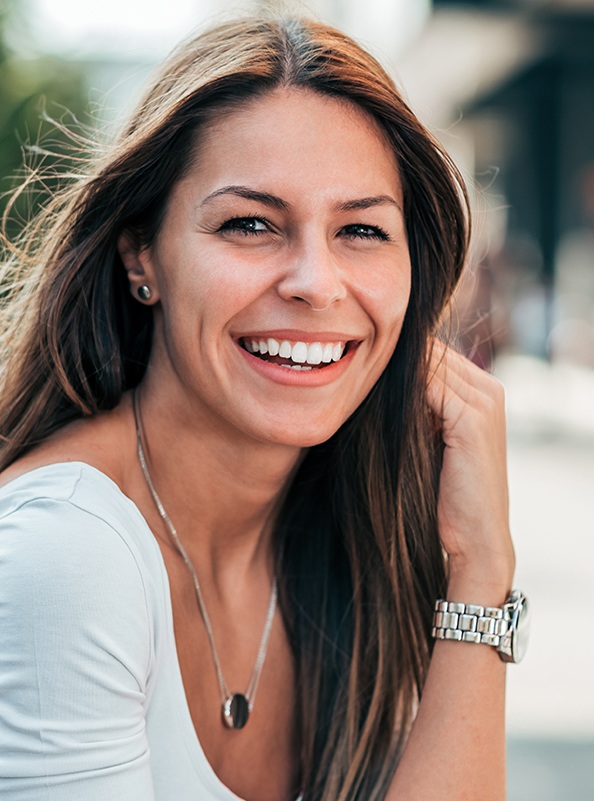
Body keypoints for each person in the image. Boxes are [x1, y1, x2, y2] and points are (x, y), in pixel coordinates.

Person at [0, 13, 527, 801]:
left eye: (360, 229)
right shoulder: (64, 555)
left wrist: (481, 571)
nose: (316, 282)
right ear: (142, 254)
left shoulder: (347, 529)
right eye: (250, 223)